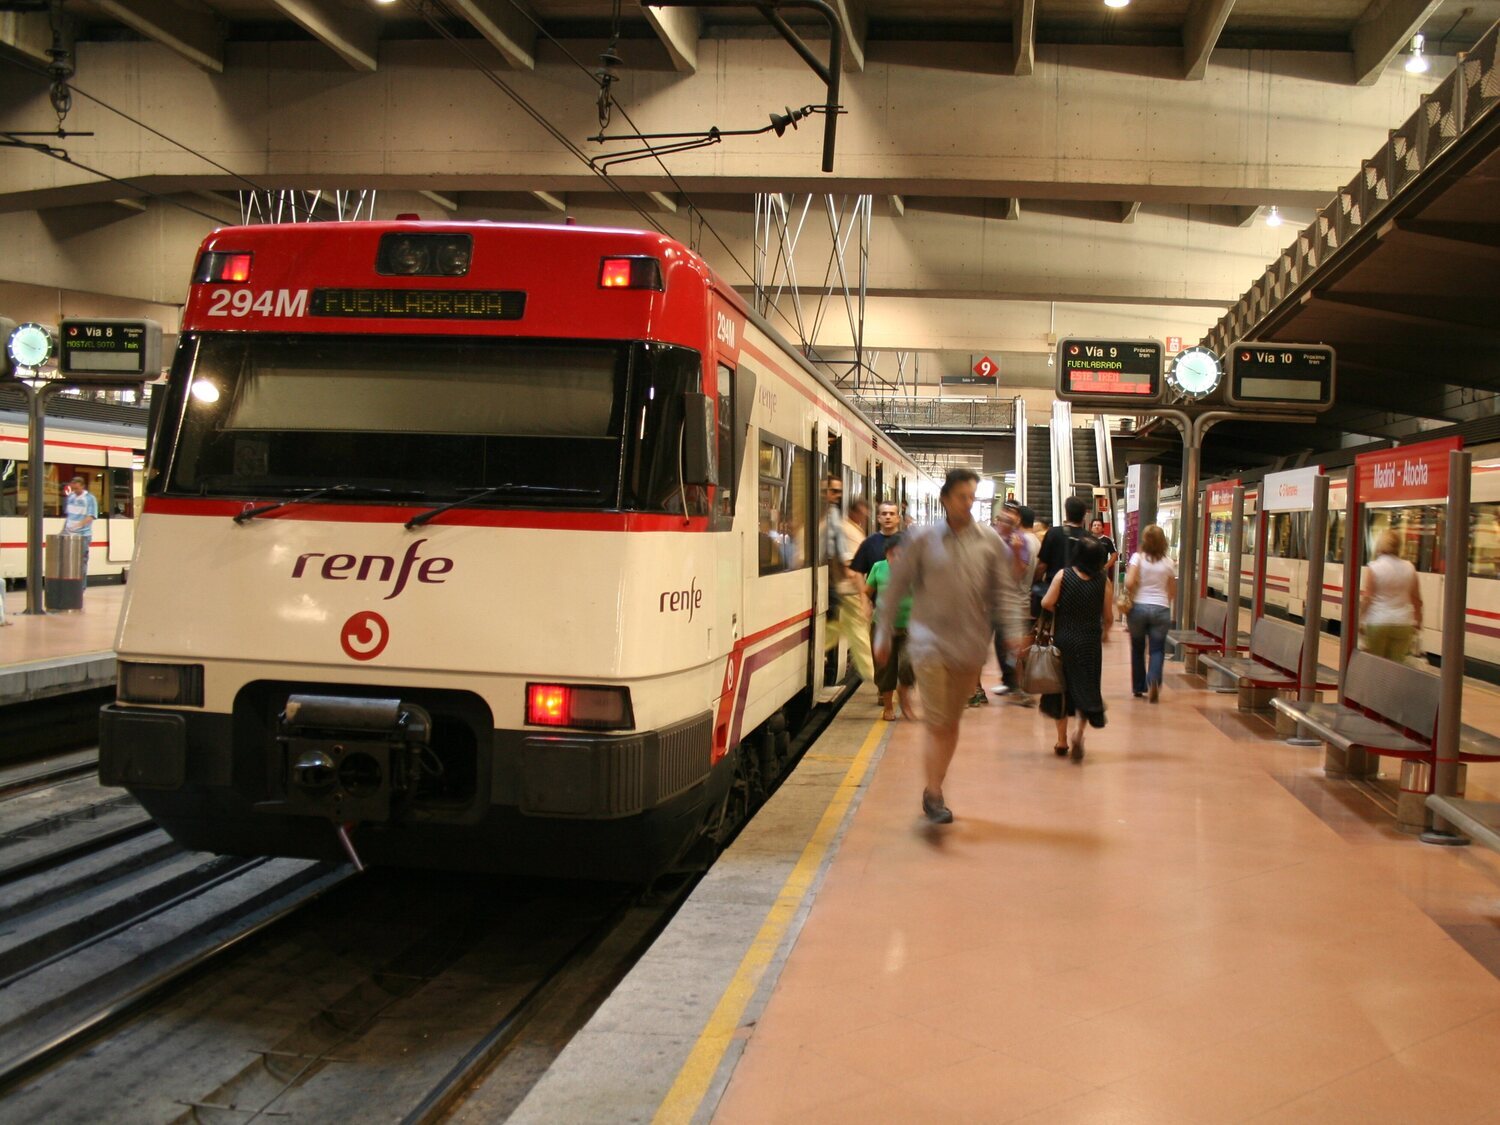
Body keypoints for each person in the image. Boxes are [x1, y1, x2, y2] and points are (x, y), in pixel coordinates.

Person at [874, 468, 1027, 824]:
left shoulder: (989, 541)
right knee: (939, 722)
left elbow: (1004, 591)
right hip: (928, 644)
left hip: (969, 645)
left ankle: (933, 787)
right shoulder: (923, 539)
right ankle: (934, 793)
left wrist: (1015, 630)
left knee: (951, 723)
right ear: (945, 499)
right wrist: (883, 633)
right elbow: (896, 587)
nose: (968, 503)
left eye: (973, 496)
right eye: (962, 496)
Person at [1039, 535, 1112, 761]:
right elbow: (1108, 617)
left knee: (1061, 689)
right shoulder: (1103, 581)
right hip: (1089, 642)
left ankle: (1061, 740)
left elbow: (1046, 603)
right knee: (1086, 689)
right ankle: (1078, 733)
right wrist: (1106, 631)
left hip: (1065, 639)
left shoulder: (1064, 576)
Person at [822, 478, 874, 681]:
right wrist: (864, 596)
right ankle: (876, 680)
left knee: (842, 627)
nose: (866, 516)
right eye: (864, 512)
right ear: (856, 512)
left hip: (845, 590)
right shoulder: (848, 530)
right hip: (850, 589)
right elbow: (852, 567)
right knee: (860, 635)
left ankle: (819, 648)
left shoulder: (847, 526)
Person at [988, 500, 1036, 707]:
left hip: (1008, 600)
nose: (1006, 521)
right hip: (986, 600)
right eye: (1004, 516)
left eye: (1012, 516)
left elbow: (1018, 573)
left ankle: (1015, 686)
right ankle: (975, 689)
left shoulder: (1020, 541)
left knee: (1010, 645)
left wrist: (1015, 550)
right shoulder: (989, 539)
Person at [865, 535, 915, 722]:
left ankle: (904, 694)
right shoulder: (878, 568)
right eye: (893, 554)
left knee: (909, 665)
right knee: (885, 669)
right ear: (887, 554)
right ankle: (888, 707)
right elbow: (866, 592)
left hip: (909, 626)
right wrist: (866, 605)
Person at [1125, 524, 1177, 702]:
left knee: (1138, 649)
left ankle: (1139, 687)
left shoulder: (1137, 558)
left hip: (1138, 607)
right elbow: (1172, 591)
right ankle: (1153, 679)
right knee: (1157, 650)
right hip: (1161, 608)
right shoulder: (1169, 562)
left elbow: (1129, 583)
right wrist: (1164, 604)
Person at [1360, 529, 1422, 663]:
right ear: (1399, 546)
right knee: (1396, 666)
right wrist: (1418, 621)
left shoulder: (1374, 567)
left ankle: (1377, 685)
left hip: (1378, 621)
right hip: (1403, 623)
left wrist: (1361, 618)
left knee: (1376, 664)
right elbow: (1416, 599)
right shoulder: (1410, 567)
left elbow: (1367, 597)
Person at [63, 475, 98, 587]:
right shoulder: (70, 497)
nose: (75, 491)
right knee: (68, 560)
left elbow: (91, 516)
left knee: (81, 561)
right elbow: (69, 515)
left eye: (77, 489)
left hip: (83, 535)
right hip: (69, 533)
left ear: (82, 486)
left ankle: (81, 586)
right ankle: (70, 584)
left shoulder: (90, 498)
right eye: (73, 489)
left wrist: (78, 525)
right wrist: (65, 529)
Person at [851, 500, 901, 579]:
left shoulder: (909, 541)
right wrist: (863, 591)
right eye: (884, 514)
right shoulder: (869, 543)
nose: (888, 517)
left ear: (898, 518)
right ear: (878, 518)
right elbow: (858, 571)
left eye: (892, 514)